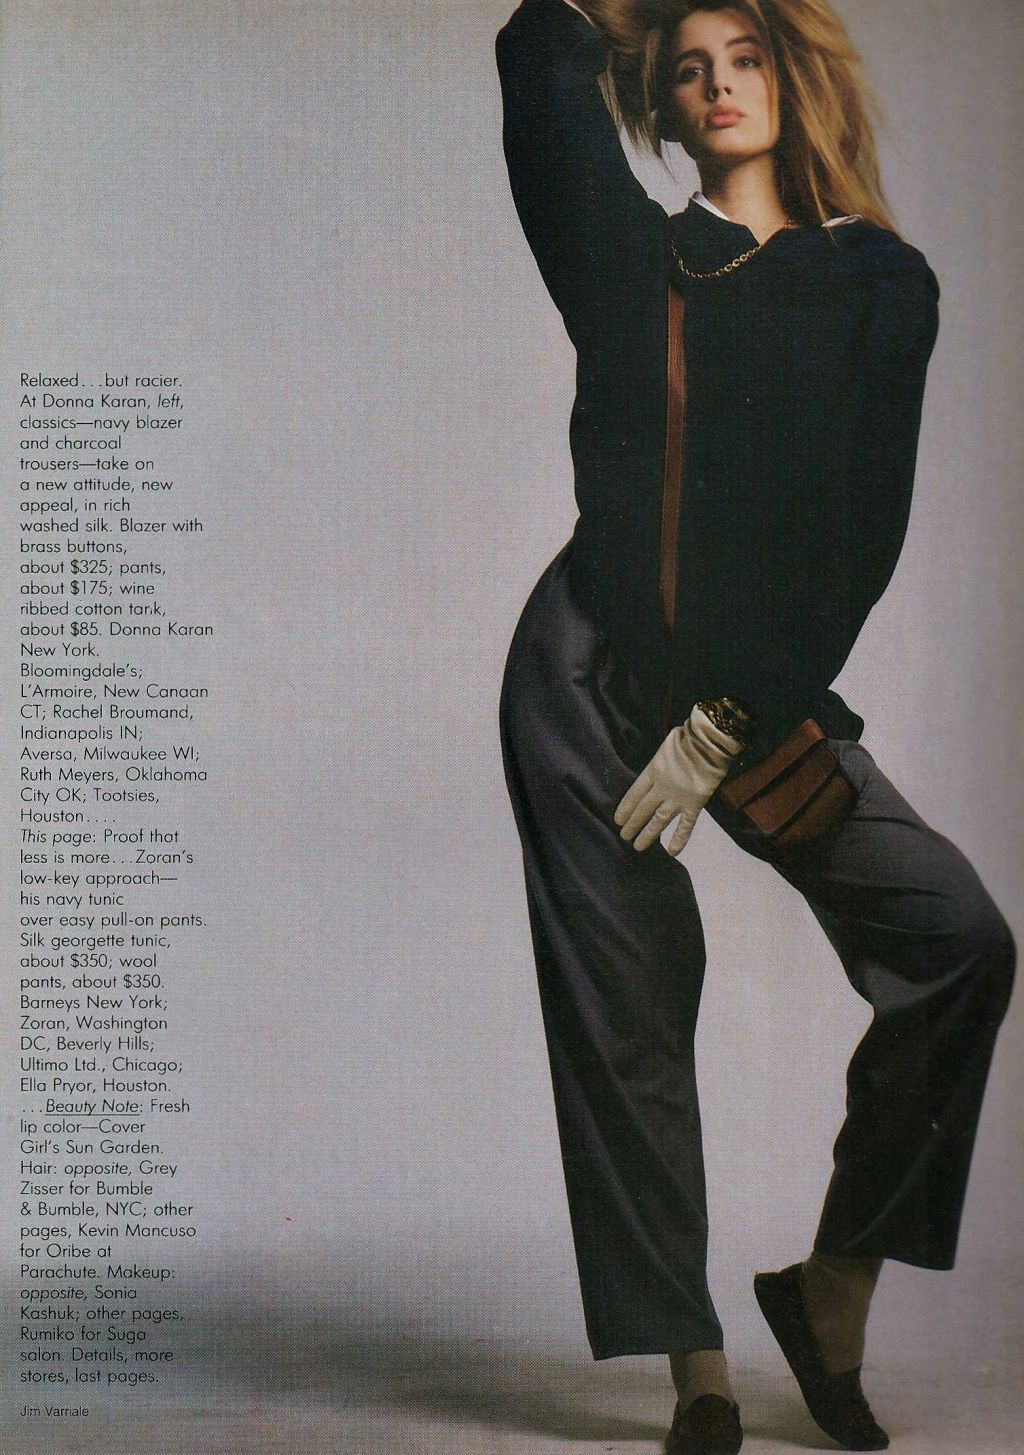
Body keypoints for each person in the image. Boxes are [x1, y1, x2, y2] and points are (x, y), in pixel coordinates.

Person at [496, 0, 1016, 1451]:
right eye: (687, 71)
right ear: (658, 106)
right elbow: (537, 65)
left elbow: (859, 541)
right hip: (585, 673)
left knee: (960, 944)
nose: (720, 86)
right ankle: (697, 1371)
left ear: (793, 78)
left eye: (744, 59)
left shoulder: (879, 282)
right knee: (629, 1004)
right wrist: (606, 15)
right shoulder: (633, 252)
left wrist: (729, 719)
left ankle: (833, 1285)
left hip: (753, 690)